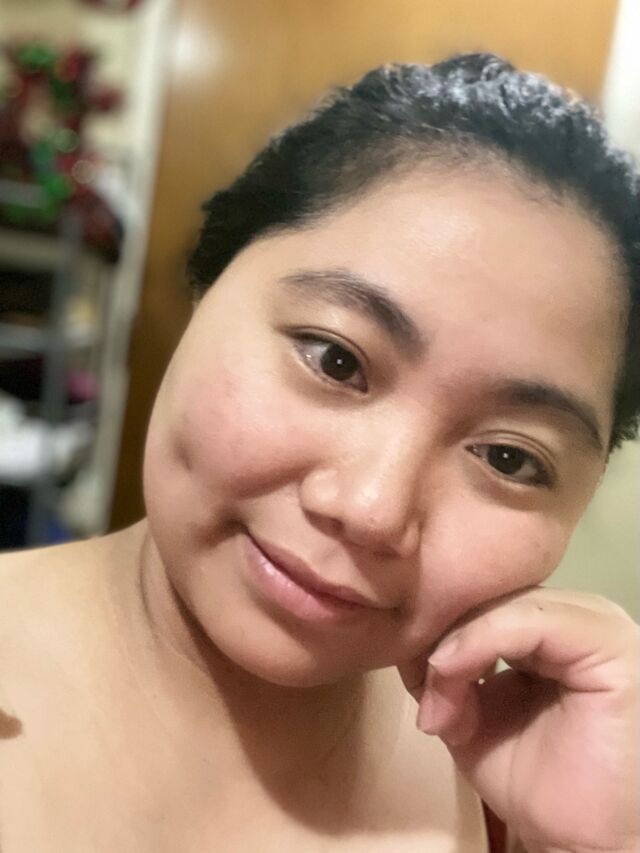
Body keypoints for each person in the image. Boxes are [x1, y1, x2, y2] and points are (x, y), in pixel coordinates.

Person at [0, 52, 639, 852]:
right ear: (208, 280)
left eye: (508, 458)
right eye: (336, 359)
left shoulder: (531, 801)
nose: (372, 508)